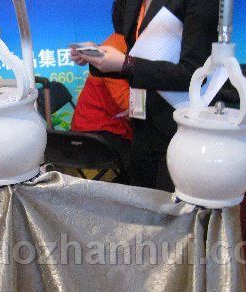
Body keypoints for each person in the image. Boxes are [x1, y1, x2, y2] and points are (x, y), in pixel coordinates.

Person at [71, 0, 219, 191]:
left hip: (179, 126)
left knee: (172, 203)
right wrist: (99, 56)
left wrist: (125, 64)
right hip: (141, 125)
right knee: (141, 200)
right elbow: (137, 55)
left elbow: (194, 74)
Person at [71, 31, 132, 179]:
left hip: (115, 124)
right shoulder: (116, 46)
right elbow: (131, 106)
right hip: (96, 132)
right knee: (146, 155)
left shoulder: (131, 41)